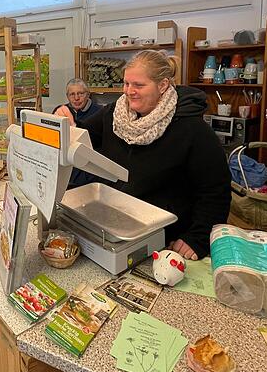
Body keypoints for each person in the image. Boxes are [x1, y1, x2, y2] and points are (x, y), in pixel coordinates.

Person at [79, 50, 231, 260]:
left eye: (139, 85)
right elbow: (82, 137)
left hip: (165, 238)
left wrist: (198, 237)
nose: (129, 91)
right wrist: (65, 120)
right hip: (117, 227)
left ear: (163, 85)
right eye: (126, 84)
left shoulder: (191, 128)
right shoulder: (114, 114)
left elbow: (215, 191)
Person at [53, 78, 103, 187]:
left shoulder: (100, 112)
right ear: (67, 96)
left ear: (88, 94)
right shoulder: (61, 111)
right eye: (72, 94)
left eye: (80, 93)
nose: (76, 98)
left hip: (88, 172)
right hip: (66, 170)